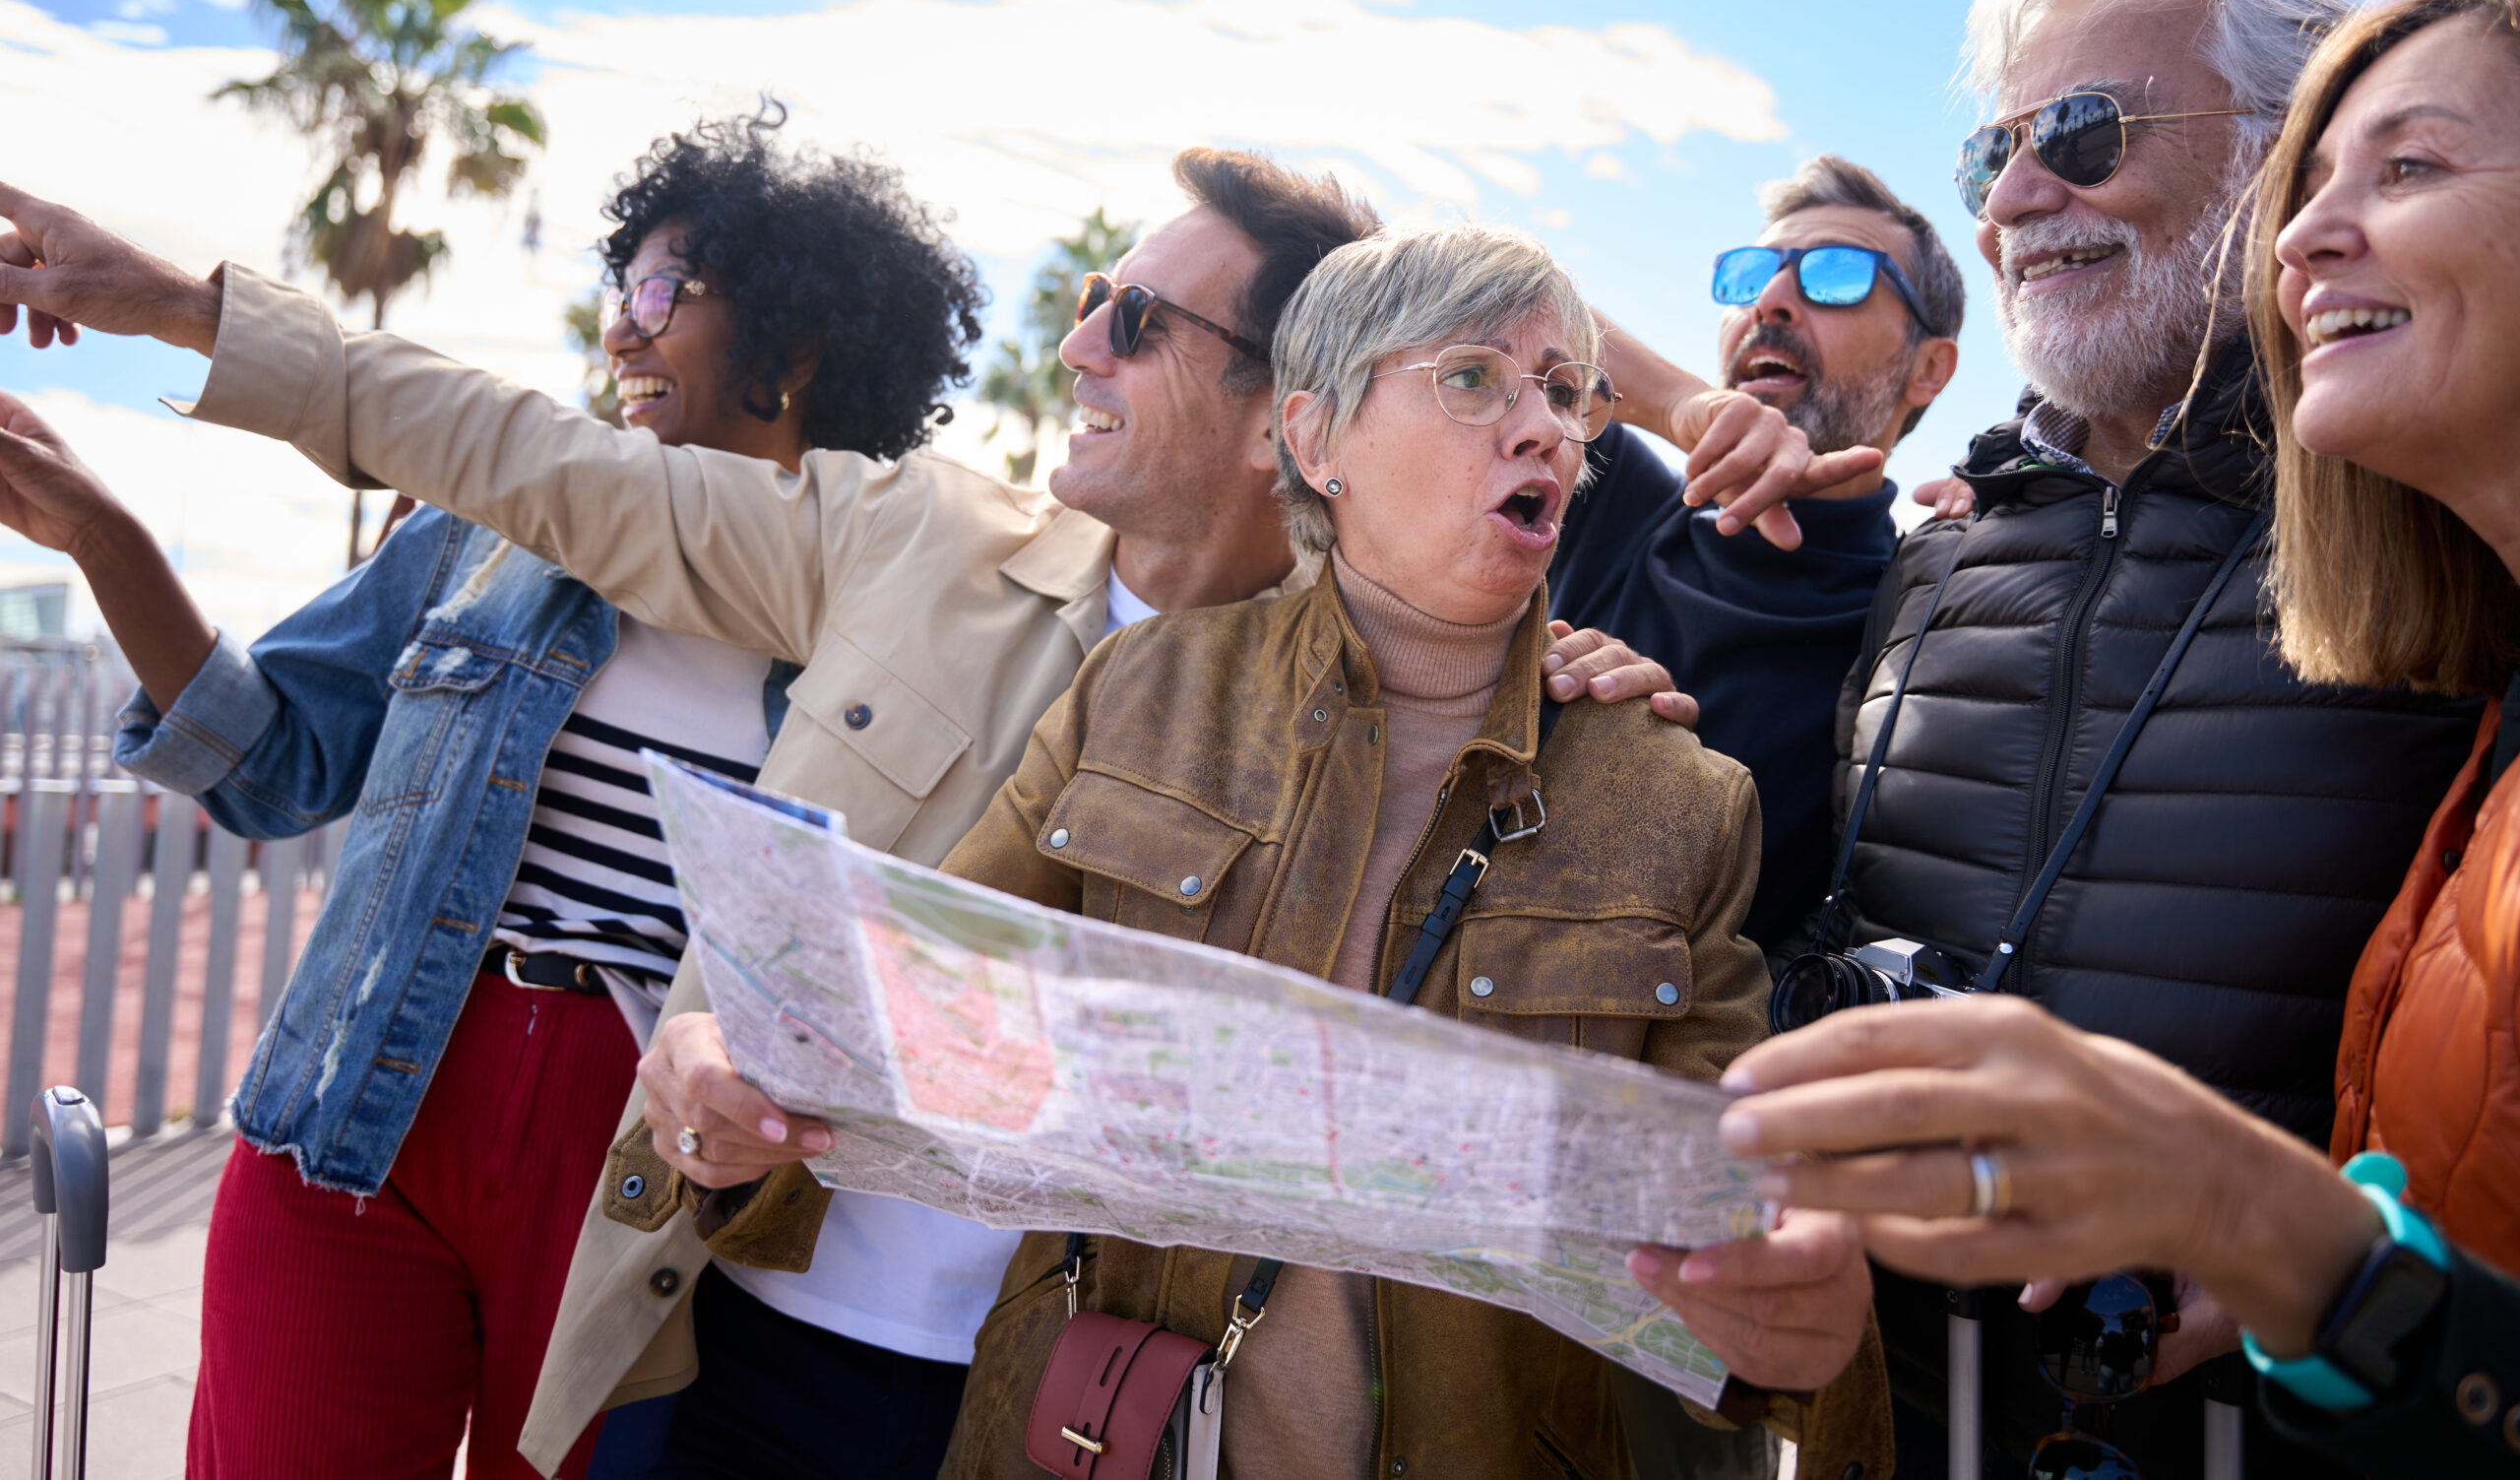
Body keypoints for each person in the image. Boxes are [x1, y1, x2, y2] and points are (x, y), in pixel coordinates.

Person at [0, 150, 1743, 1476]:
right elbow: (532, 457)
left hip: (1051, 1397)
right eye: (1087, 297)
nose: (1078, 342)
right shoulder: (915, 536)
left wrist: (1576, 628)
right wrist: (186, 309)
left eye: (1136, 318)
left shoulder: (1405, 688)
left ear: (1285, 407)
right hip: (728, 1333)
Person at [667, 221, 1897, 1480]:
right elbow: (905, 1005)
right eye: (1473, 377)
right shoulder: (1135, 689)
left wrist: (1794, 1328)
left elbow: (1737, 1253)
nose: (1546, 428)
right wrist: (732, 1070)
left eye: (1567, 394)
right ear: (1314, 441)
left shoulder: (1680, 797)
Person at [0, 112, 982, 1479]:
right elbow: (271, 764)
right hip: (361, 1119)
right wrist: (98, 533)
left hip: (638, 1190)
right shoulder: (486, 533)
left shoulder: (894, 621)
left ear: (803, 342)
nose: (622, 334)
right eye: (617, 294)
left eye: (661, 292)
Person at [1802, 0, 2487, 1477]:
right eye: (1992, 160)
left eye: (2085, 135)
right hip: (1893, 1412)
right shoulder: (1933, 556)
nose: (2021, 201)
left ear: (2278, 154)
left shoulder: (2435, 532)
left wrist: (2322, 1235)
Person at [1551, 153, 1964, 959]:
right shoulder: (1615, 503)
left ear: (1929, 369)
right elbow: (1483, 302)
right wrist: (1677, 402)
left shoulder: (1928, 612)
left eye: (1837, 276)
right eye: (1751, 276)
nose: (1772, 300)